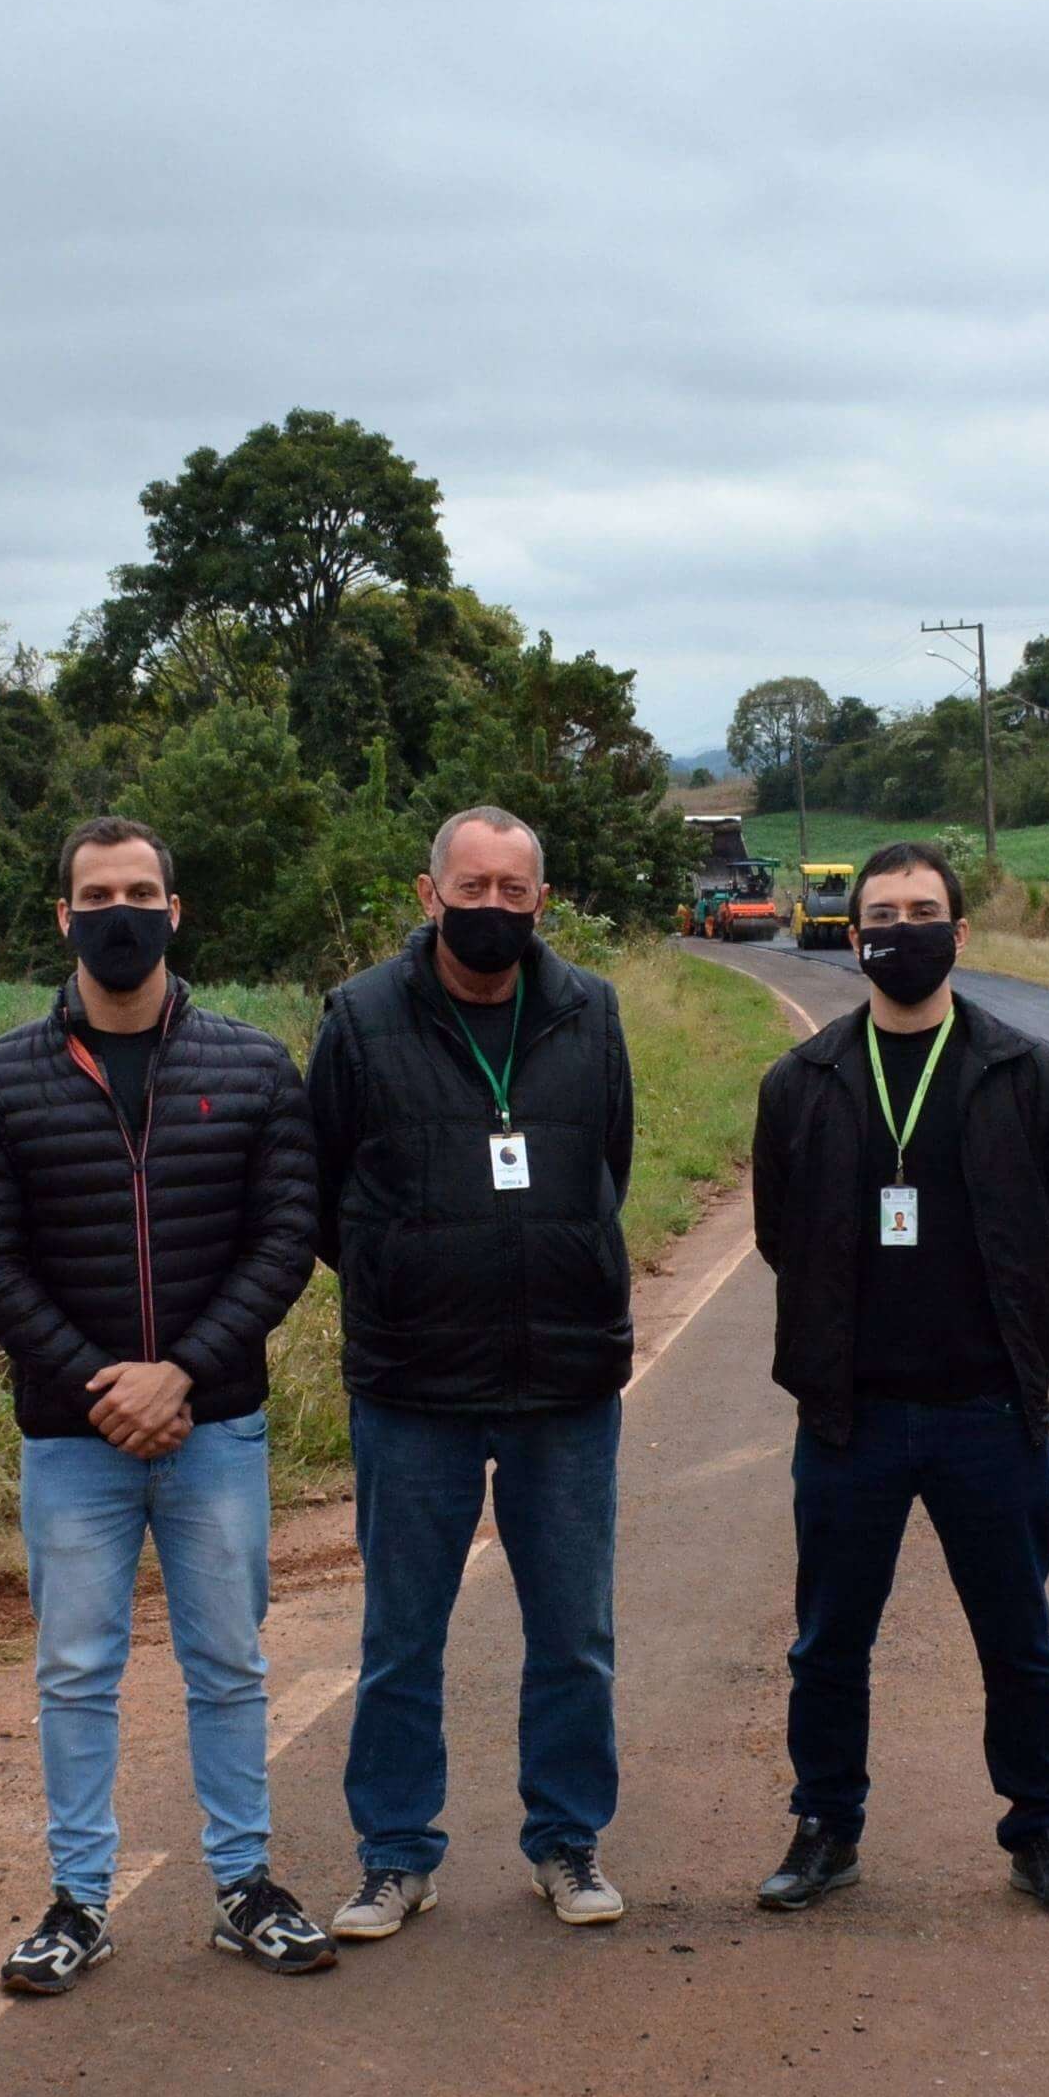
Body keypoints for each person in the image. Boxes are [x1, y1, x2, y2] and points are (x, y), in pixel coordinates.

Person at [0, 818, 330, 1997]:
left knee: (229, 1664)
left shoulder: (254, 1067)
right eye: (97, 893)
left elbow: (285, 1239)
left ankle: (245, 1885)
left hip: (215, 1428)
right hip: (74, 1435)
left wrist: (184, 1374)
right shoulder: (1, 1078)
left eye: (141, 890)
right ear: (63, 917)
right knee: (74, 1669)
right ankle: (78, 1902)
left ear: (177, 909)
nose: (121, 911)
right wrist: (104, 1383)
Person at [747, 841, 1049, 1919]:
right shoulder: (801, 1081)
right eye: (883, 912)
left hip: (987, 1411)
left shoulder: (1025, 1071)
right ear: (854, 934)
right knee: (829, 1640)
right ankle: (826, 1826)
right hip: (849, 1417)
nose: (902, 928)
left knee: (1018, 1636)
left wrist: (1015, 1342)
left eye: (924, 909)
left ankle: (1041, 1830)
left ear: (961, 930)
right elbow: (779, 1233)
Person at [309, 806, 639, 1940]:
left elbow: (611, 1164)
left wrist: (561, 1261)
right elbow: (323, 1195)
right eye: (472, 885)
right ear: (428, 890)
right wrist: (409, 1273)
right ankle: (395, 1856)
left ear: (541, 900)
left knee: (575, 1635)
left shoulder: (591, 1011)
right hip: (413, 1388)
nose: (491, 906)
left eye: (513, 888)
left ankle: (566, 1842)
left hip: (566, 1385)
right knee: (403, 1635)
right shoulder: (357, 1018)